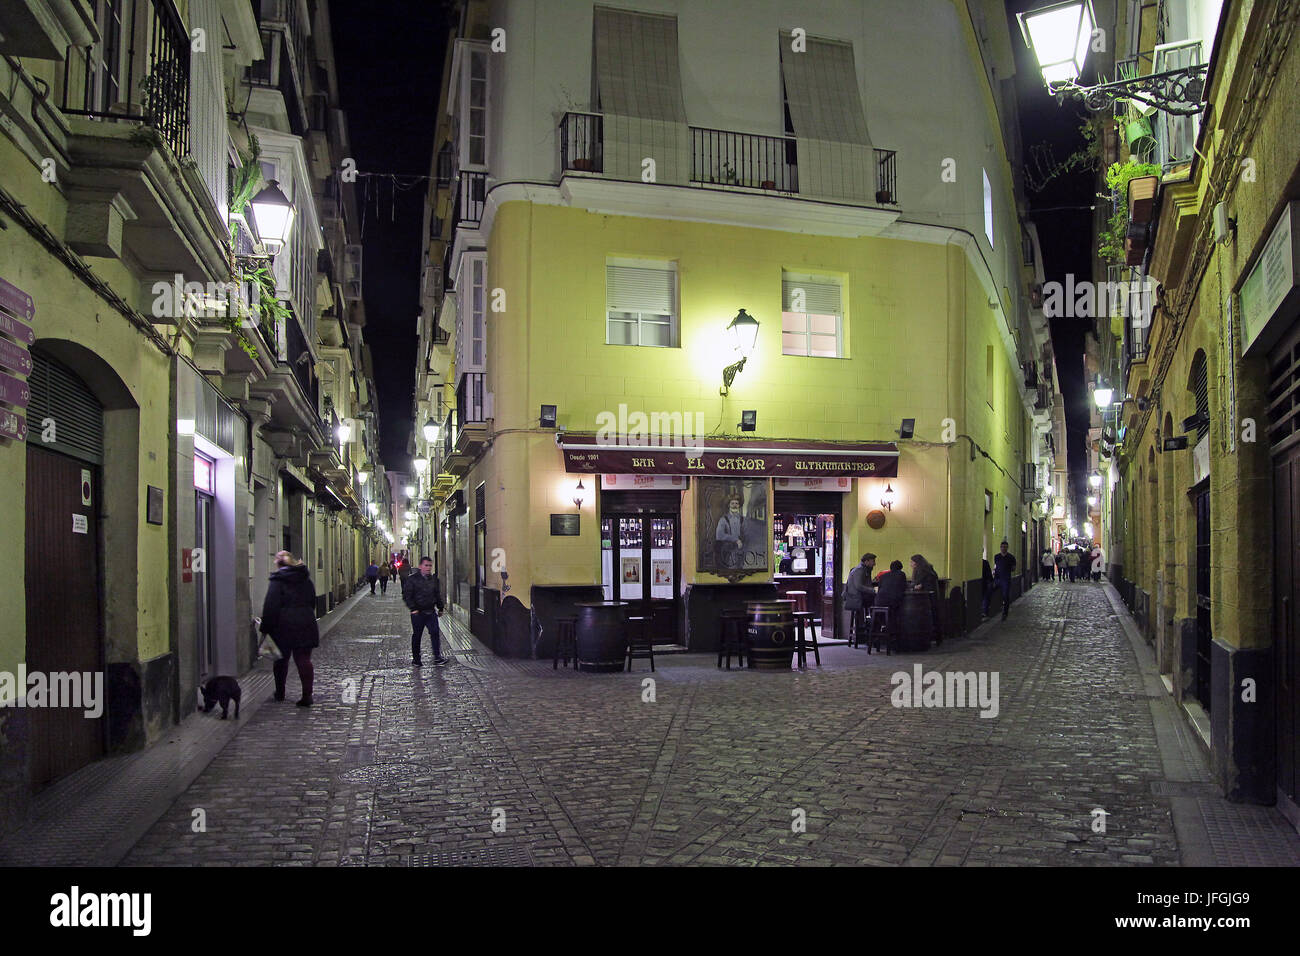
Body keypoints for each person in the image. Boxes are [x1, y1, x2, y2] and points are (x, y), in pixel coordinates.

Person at [260, 550, 318, 707]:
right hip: (305, 622)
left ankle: (280, 693)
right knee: (303, 659)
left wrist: (265, 628)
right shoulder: (305, 579)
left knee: (280, 660)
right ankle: (307, 695)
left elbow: (271, 606)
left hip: (282, 625)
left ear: (279, 564)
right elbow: (312, 601)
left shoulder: (278, 581)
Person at [403, 555, 447, 666]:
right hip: (418, 613)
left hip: (430, 611)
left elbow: (437, 594)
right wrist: (413, 608)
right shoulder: (412, 579)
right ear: (420, 566)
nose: (428, 568)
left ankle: (437, 657)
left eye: (430, 566)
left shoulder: (433, 579)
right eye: (426, 565)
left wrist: (440, 607)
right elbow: (407, 595)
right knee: (417, 635)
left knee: (435, 633)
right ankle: (416, 659)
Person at [872, 560, 907, 648]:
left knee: (880, 618)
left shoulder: (883, 576)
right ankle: (893, 639)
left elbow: (880, 588)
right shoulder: (901, 575)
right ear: (900, 568)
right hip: (892, 602)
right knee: (896, 616)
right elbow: (903, 588)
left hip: (879, 602)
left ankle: (876, 638)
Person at [842, 553, 876, 643]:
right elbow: (859, 586)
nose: (874, 564)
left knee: (875, 606)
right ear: (867, 561)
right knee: (877, 606)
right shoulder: (860, 570)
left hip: (858, 598)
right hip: (857, 599)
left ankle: (869, 629)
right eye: (873, 561)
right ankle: (872, 632)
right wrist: (873, 590)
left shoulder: (863, 570)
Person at [715, 496, 745, 568]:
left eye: (736, 503)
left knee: (740, 569)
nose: (734, 505)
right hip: (728, 551)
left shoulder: (742, 519)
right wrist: (736, 539)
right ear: (729, 505)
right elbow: (719, 535)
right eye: (732, 503)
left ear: (739, 506)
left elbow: (747, 534)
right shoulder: (723, 519)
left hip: (740, 551)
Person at [992, 540, 1016, 620]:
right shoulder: (997, 557)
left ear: (1007, 548)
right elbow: (995, 567)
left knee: (1006, 596)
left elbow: (1013, 568)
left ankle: (1005, 612)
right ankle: (992, 609)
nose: (1003, 548)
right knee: (991, 592)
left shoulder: (1011, 557)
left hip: (1006, 579)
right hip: (997, 579)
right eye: (1002, 547)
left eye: (1005, 547)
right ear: (1000, 547)